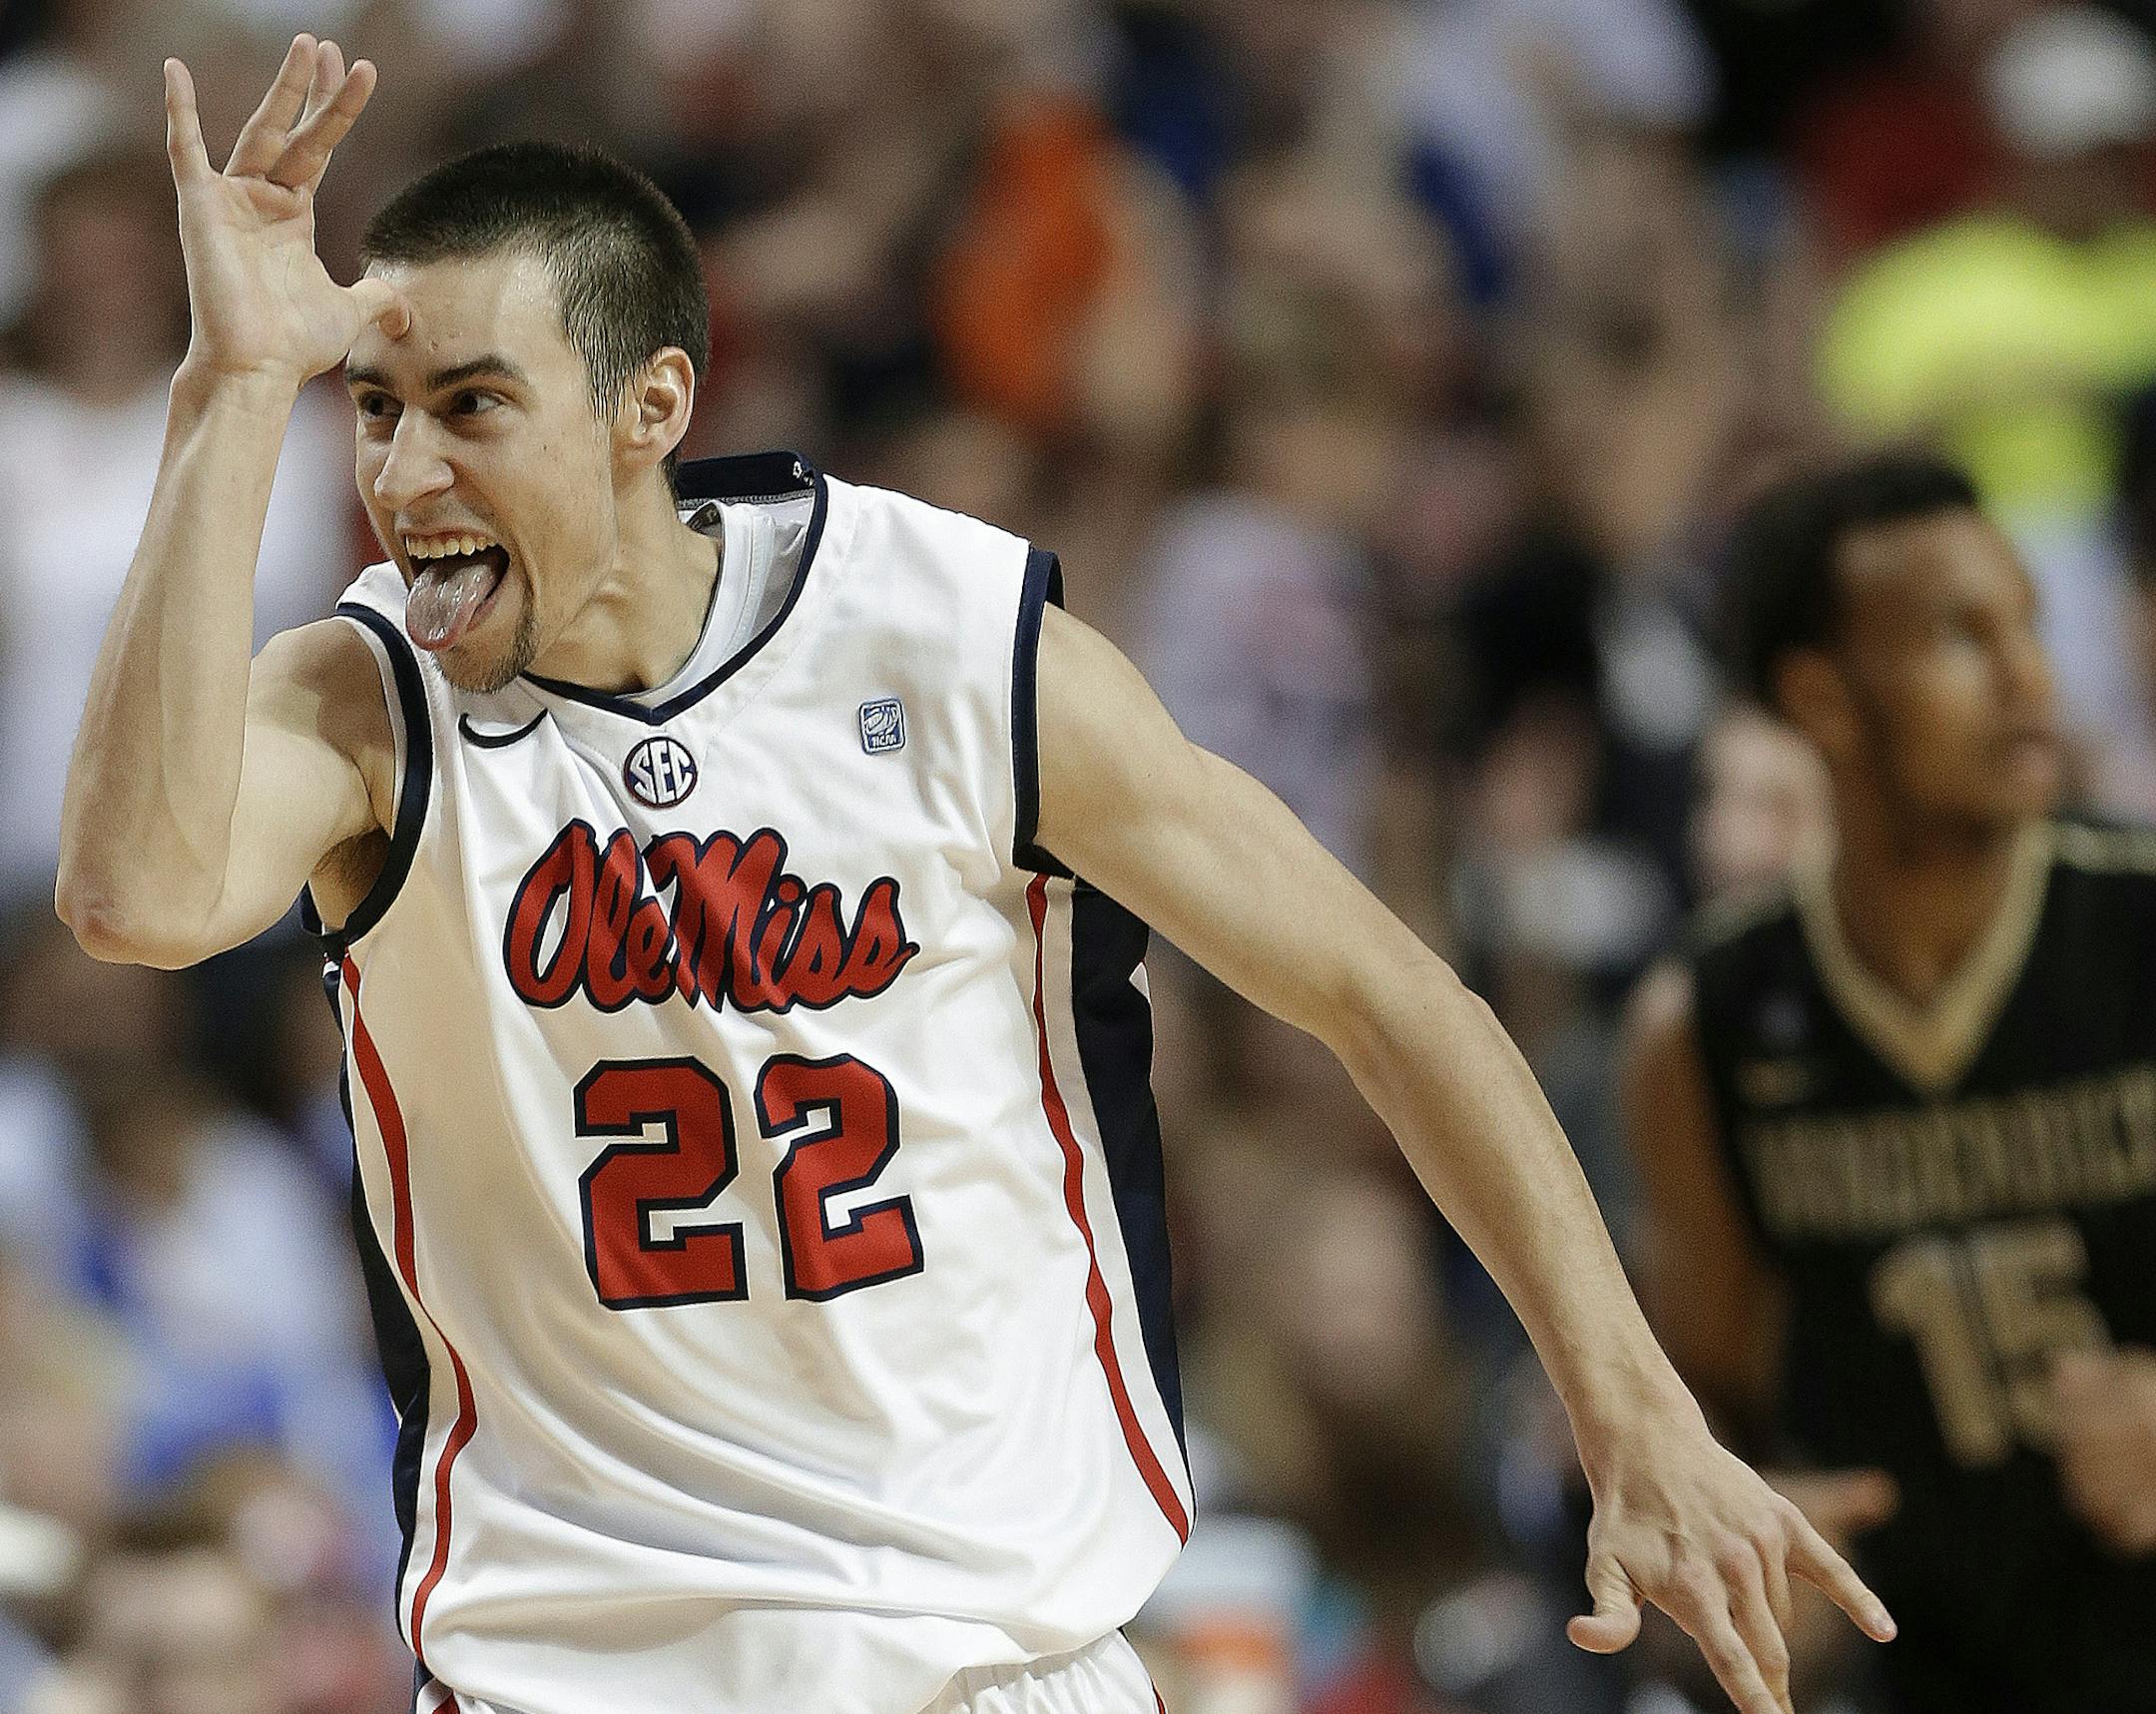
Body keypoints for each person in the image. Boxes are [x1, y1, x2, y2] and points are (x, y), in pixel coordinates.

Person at [58, 35, 1890, 1714]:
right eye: (375, 407)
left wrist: (1634, 1411)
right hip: (577, 1670)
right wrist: (231, 387)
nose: (406, 470)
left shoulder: (940, 642)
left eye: (472, 405)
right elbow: (133, 897)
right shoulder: (368, 701)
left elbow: (1387, 993)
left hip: (979, 1655)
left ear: (650, 403)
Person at [1624, 451, 2156, 1714]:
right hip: (1918, 1673)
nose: (2030, 678)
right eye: (1962, 638)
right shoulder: (1703, 1025)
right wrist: (1745, 1544)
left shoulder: (2139, 923)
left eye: (2027, 624)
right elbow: (1701, 1414)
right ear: (1824, 699)